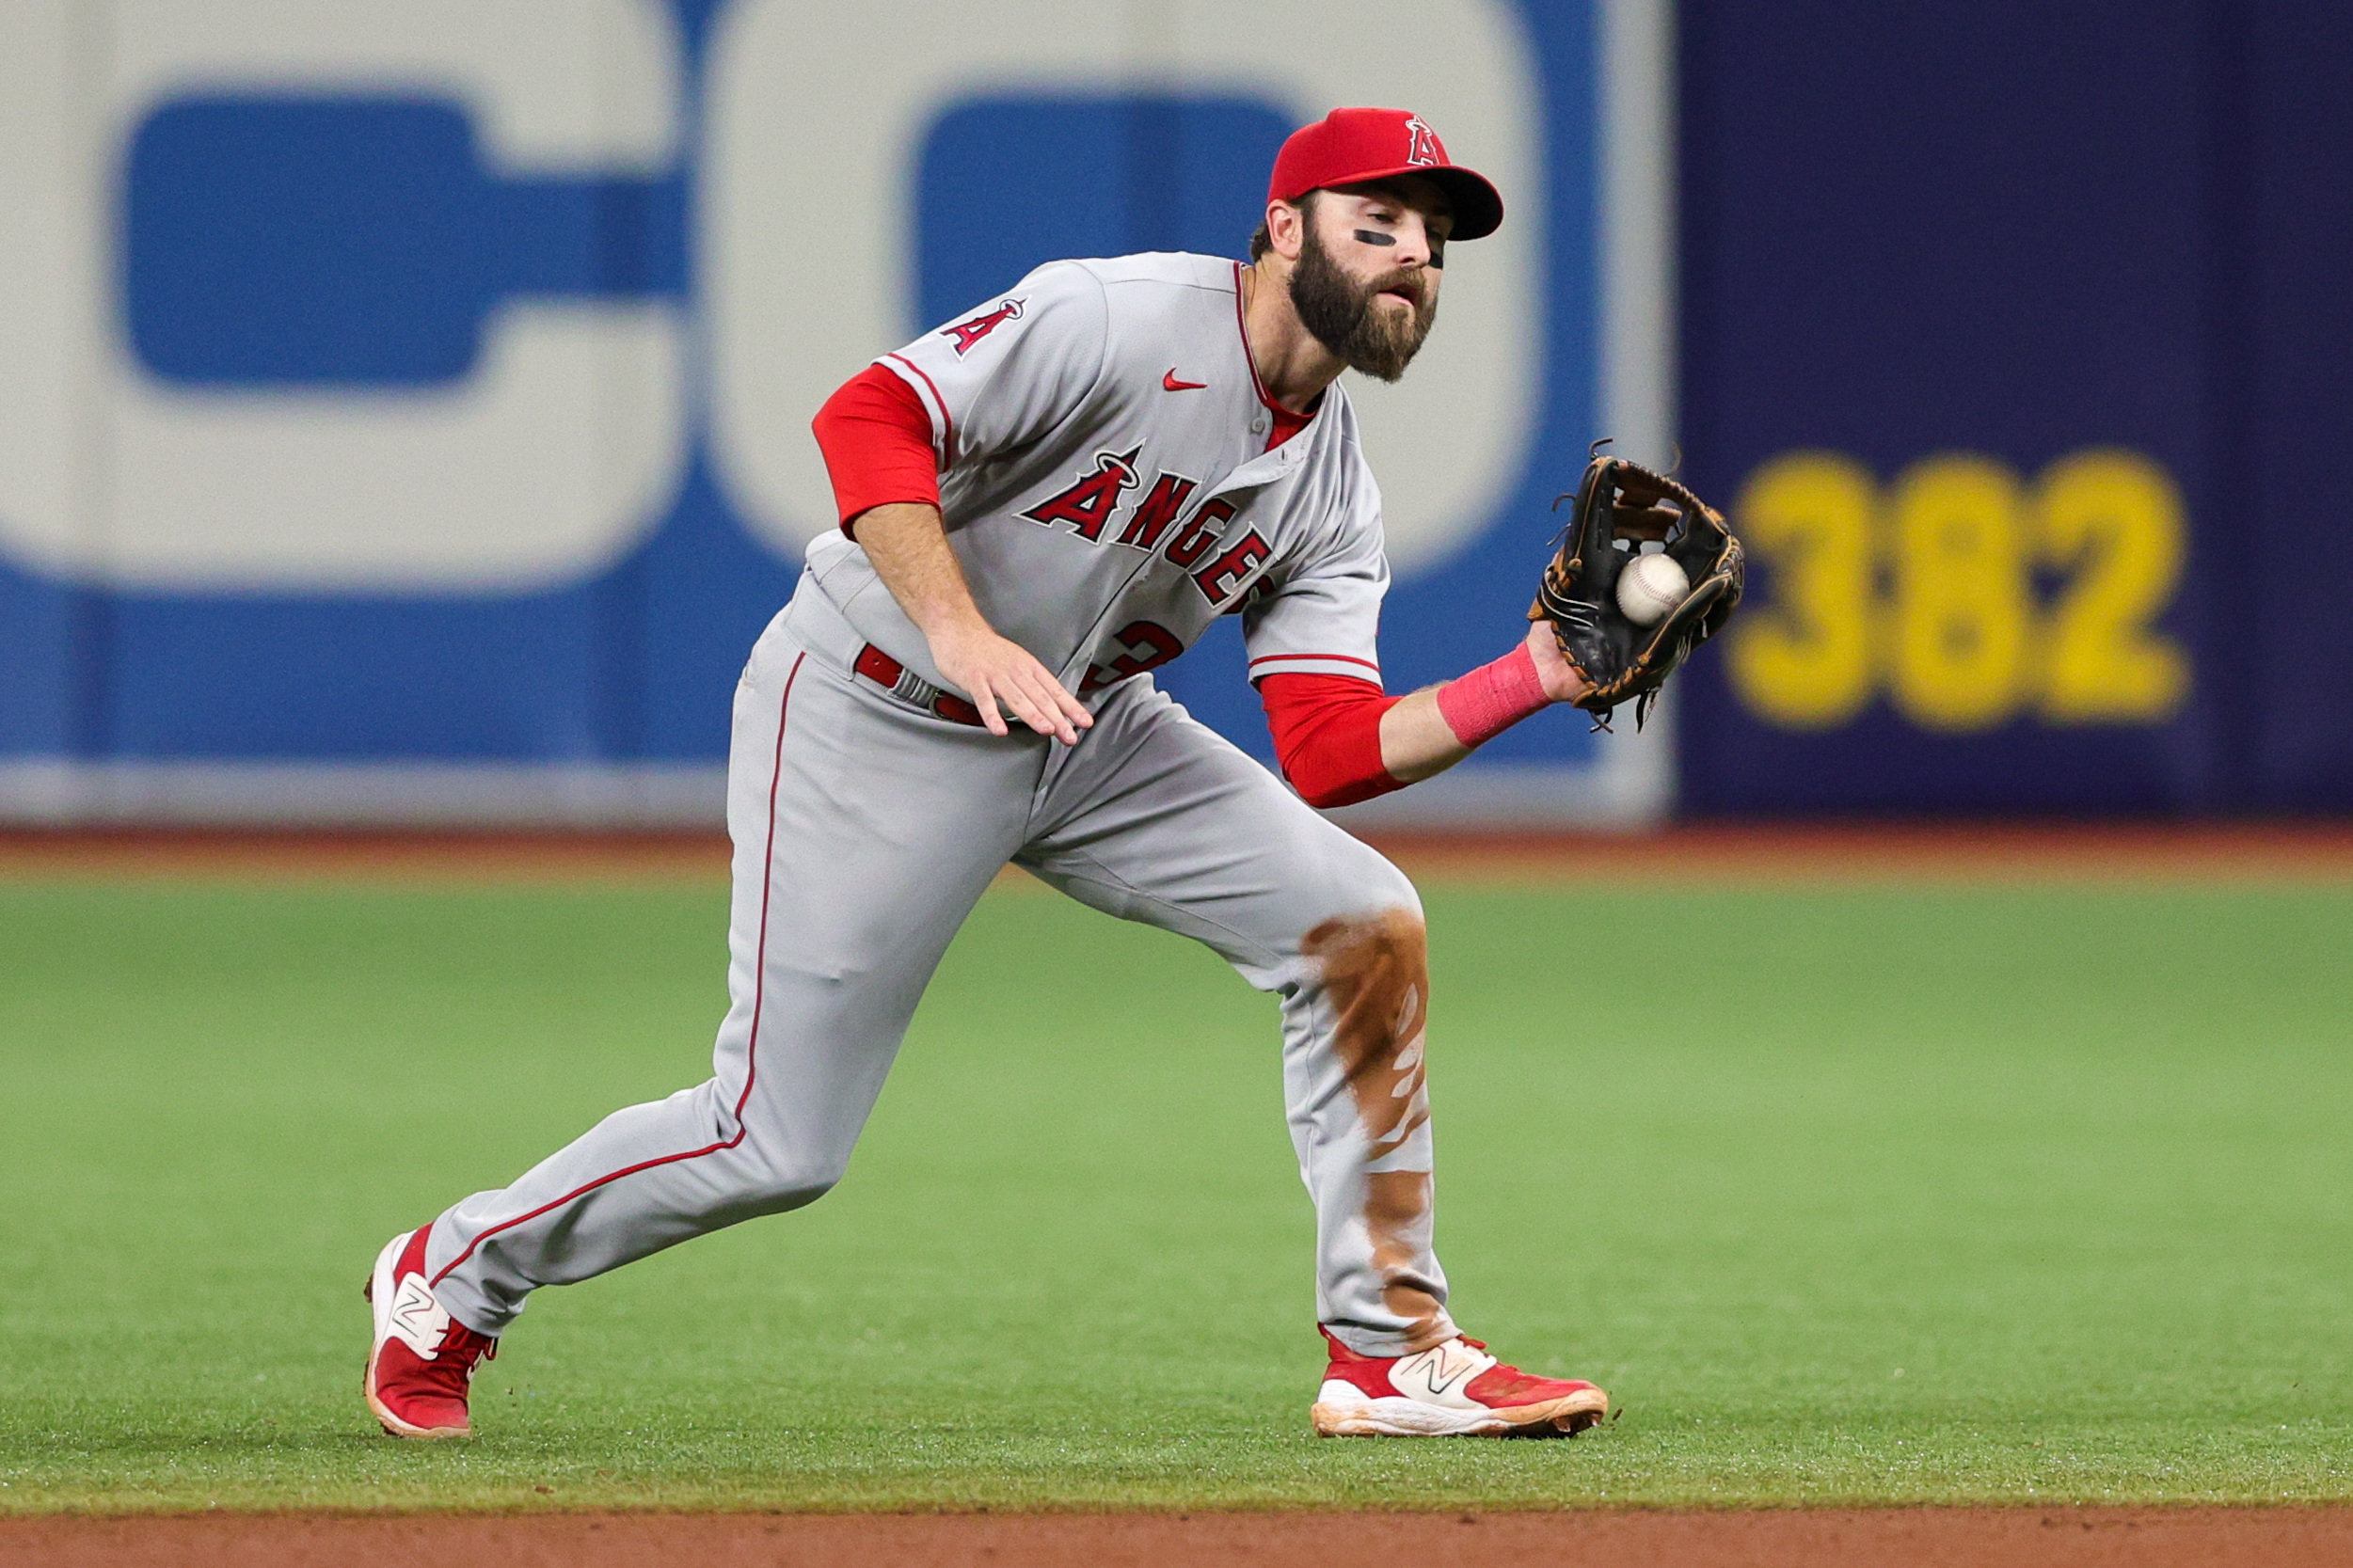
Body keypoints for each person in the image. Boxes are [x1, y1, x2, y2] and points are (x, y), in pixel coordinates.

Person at [364, 106, 1608, 1441]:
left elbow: (1330, 749)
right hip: (871, 703)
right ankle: (451, 1271)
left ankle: (1390, 1353)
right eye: (1379, 225)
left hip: (1086, 733)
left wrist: (1534, 673)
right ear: (1286, 229)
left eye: (1432, 243)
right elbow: (868, 415)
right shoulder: (1120, 320)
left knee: (1361, 926)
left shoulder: (1332, 489)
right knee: (774, 1143)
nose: (1411, 260)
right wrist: (960, 633)